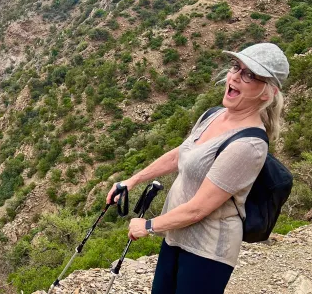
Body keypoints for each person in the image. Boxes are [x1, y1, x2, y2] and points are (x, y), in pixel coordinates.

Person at [106, 43, 289, 294]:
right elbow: (181, 155)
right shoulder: (213, 114)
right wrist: (133, 180)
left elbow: (199, 208)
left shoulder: (249, 145)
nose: (235, 76)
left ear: (267, 93)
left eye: (249, 75)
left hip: (209, 250)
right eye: (236, 67)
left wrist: (148, 226)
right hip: (176, 235)